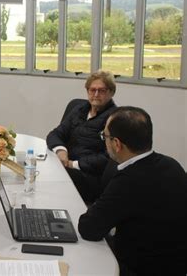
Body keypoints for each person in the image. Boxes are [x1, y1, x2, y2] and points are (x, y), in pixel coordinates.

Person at [78, 106, 187, 276]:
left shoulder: (129, 180)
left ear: (117, 144)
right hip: (174, 265)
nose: (104, 141)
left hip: (139, 268)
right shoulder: (171, 164)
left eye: (104, 136)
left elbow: (88, 228)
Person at [46, 70, 117, 203]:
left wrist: (73, 164)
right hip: (67, 166)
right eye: (92, 90)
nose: (96, 94)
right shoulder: (79, 109)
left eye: (101, 90)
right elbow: (55, 134)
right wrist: (61, 151)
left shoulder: (115, 118)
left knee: (47, 176)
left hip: (89, 177)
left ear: (111, 92)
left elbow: (109, 157)